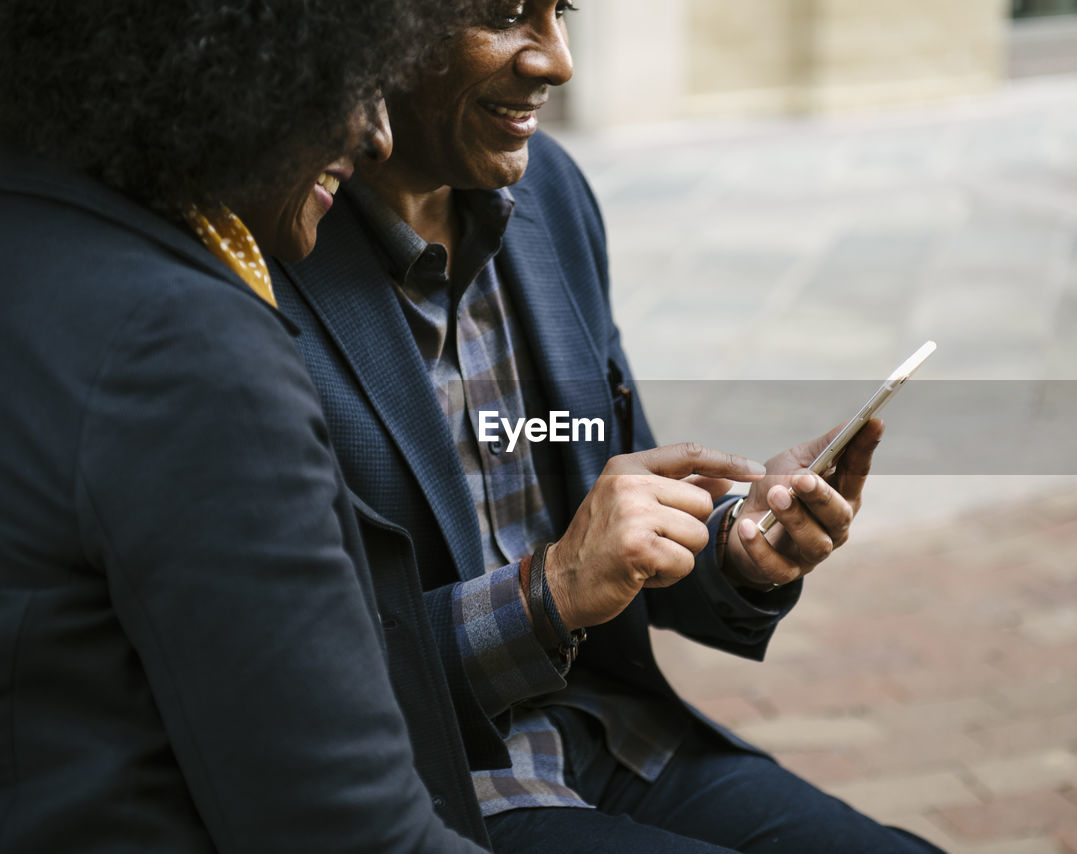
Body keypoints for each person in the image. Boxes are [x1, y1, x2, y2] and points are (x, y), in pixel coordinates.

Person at [271, 1, 945, 851]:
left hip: (614, 733)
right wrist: (545, 593)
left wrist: (739, 550)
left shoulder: (550, 189)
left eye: (564, 11)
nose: (559, 62)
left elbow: (611, 515)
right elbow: (283, 679)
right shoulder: (267, 255)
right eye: (510, 16)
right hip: (433, 792)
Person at [0, 1, 491, 851]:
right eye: (346, 77)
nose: (375, 132)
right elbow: (350, 832)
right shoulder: (183, 348)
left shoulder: (40, 234)